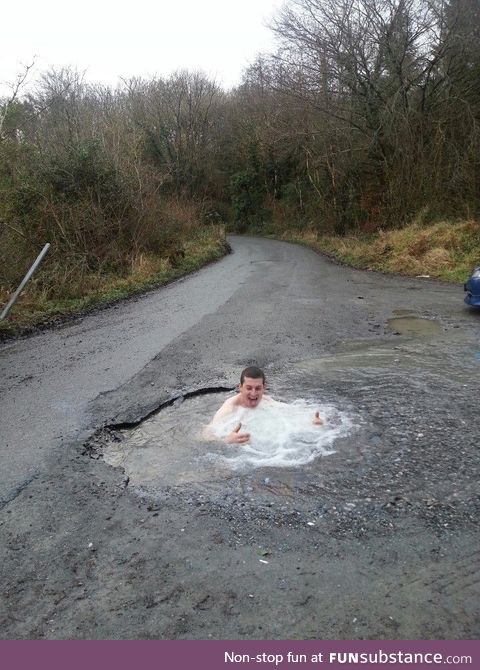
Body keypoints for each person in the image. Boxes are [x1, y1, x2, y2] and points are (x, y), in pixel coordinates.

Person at [206, 366, 324, 444]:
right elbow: (203, 436)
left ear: (264, 388)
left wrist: (311, 422)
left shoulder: (266, 401)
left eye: (258, 388)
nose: (253, 393)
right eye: (249, 388)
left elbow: (291, 413)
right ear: (240, 387)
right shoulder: (229, 409)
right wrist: (226, 441)